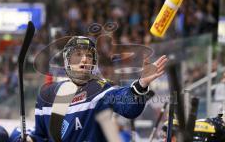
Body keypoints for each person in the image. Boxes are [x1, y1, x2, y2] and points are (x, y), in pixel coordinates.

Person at [14, 36, 168, 141]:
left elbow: (129, 107)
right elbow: (40, 135)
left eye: (89, 55)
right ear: (67, 60)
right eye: (78, 54)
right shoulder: (46, 95)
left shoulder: (100, 89)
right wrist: (26, 139)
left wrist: (141, 84)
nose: (84, 59)